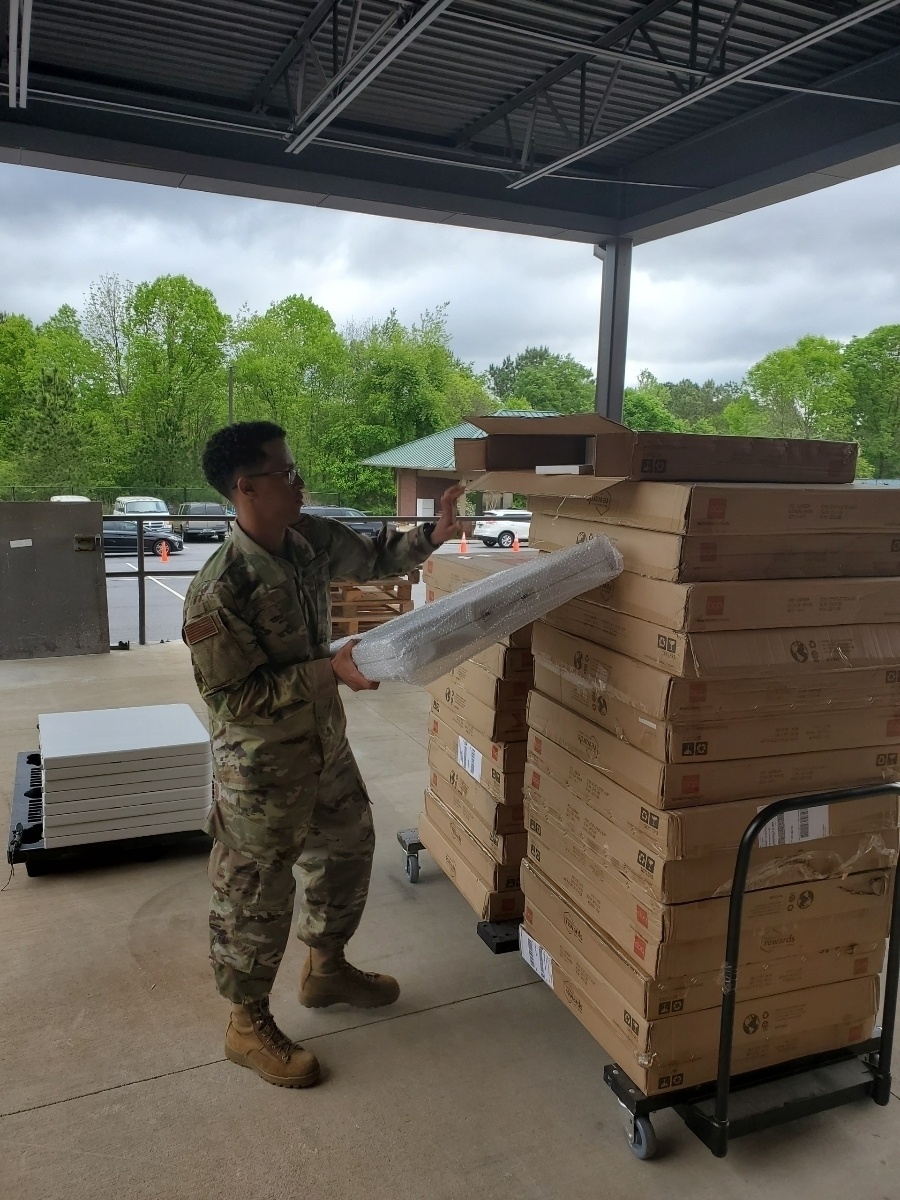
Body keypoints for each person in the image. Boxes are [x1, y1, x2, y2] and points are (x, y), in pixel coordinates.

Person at [182, 421, 464, 1088]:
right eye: (283, 472)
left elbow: (374, 556)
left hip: (323, 746)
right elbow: (234, 700)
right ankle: (246, 1025)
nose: (298, 480)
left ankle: (326, 969)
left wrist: (435, 533)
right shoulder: (220, 589)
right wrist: (328, 672)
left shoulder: (307, 540)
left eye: (294, 465)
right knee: (256, 895)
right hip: (261, 771)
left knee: (347, 848)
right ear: (245, 488)